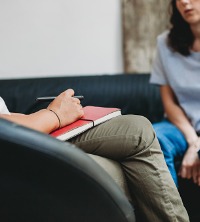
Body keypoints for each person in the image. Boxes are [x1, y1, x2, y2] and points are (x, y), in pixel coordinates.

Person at [0, 88, 189, 222]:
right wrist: (54, 115)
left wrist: (43, 116)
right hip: (16, 149)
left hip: (26, 133)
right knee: (118, 169)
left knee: (137, 129)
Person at [150, 0, 200, 188]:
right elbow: (169, 103)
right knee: (153, 138)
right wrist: (194, 142)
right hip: (181, 126)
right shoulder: (165, 43)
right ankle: (170, 217)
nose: (185, 2)